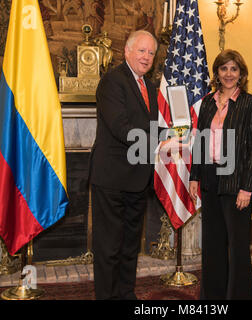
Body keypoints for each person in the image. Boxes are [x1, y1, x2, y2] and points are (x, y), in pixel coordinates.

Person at [89, 30, 159, 300]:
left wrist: (173, 136)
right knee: (108, 247)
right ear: (127, 52)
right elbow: (122, 128)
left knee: (131, 246)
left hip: (138, 178)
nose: (146, 57)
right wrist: (158, 145)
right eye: (141, 51)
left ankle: (126, 295)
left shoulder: (149, 87)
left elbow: (151, 127)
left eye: (151, 52)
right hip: (112, 179)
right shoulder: (112, 82)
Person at [189, 49, 252, 300]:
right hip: (209, 179)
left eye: (234, 69)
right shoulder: (207, 102)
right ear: (217, 73)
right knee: (212, 246)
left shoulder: (250, 104)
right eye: (224, 69)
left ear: (241, 74)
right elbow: (200, 141)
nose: (229, 74)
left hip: (236, 183)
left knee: (238, 248)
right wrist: (193, 177)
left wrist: (247, 188)